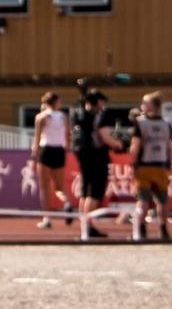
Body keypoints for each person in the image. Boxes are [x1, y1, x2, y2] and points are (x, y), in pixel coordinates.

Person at [72, 87, 118, 239]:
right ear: (97, 101)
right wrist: (119, 144)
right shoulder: (99, 116)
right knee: (94, 192)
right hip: (96, 155)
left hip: (82, 154)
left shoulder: (77, 114)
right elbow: (104, 137)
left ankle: (84, 224)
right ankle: (88, 224)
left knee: (85, 191)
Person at [128, 92, 172, 241]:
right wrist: (169, 164)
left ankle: (141, 229)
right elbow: (169, 146)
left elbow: (135, 145)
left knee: (143, 199)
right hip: (161, 164)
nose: (142, 105)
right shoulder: (167, 124)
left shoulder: (141, 123)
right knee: (162, 199)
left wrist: (132, 163)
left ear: (152, 106)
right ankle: (163, 227)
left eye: (144, 103)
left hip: (144, 166)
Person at [31, 90, 77, 229]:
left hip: (46, 150)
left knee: (45, 187)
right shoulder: (63, 116)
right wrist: (66, 150)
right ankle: (66, 203)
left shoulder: (41, 117)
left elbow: (37, 137)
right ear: (56, 102)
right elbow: (68, 135)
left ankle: (47, 218)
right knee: (59, 186)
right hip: (58, 150)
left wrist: (34, 154)